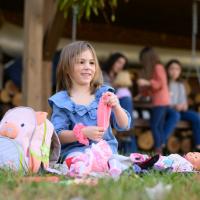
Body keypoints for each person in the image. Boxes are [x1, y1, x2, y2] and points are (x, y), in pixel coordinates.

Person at [48, 41, 131, 162]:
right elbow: (58, 135)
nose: (88, 67)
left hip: (105, 150)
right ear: (67, 68)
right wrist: (83, 133)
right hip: (76, 151)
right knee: (79, 162)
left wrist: (117, 106)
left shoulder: (103, 94)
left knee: (118, 162)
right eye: (81, 62)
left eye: (92, 63)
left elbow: (124, 125)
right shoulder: (62, 101)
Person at [137, 47, 179, 154]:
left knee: (154, 125)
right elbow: (154, 87)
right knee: (159, 125)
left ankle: (158, 149)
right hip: (161, 101)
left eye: (143, 59)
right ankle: (160, 149)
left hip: (160, 102)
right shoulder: (157, 68)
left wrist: (146, 82)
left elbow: (159, 84)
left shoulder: (158, 67)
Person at [166, 59, 200, 151]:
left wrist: (183, 106)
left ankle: (198, 145)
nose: (174, 71)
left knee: (197, 116)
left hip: (181, 111)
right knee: (175, 115)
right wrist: (174, 106)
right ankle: (162, 143)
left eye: (177, 69)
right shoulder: (165, 83)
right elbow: (164, 101)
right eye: (172, 69)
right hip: (168, 111)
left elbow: (183, 101)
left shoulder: (181, 85)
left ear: (180, 71)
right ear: (167, 70)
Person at [113, 70, 137, 154]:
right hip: (129, 118)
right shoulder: (127, 91)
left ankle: (128, 152)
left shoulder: (120, 92)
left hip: (124, 119)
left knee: (125, 136)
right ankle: (132, 152)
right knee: (129, 136)